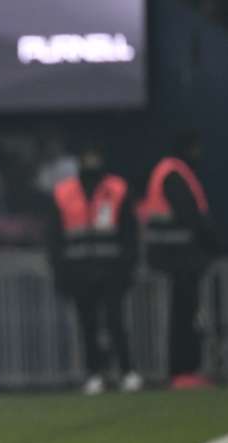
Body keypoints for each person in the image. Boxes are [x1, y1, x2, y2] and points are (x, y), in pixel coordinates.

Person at [47, 141, 142, 395]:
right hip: (79, 270)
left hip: (111, 269)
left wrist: (128, 267)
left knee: (115, 321)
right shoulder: (63, 192)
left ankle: (127, 370)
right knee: (87, 324)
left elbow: (129, 233)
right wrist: (61, 272)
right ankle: (94, 373)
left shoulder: (116, 189)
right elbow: (54, 238)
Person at [137, 131, 223, 388]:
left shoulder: (171, 172)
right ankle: (182, 370)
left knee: (185, 314)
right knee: (184, 315)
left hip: (177, 255)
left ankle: (185, 370)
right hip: (176, 256)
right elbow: (191, 218)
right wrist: (218, 246)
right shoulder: (174, 174)